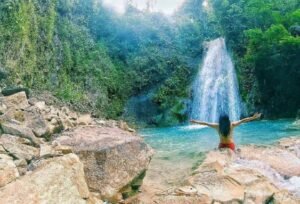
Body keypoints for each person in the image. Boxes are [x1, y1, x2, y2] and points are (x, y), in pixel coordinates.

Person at [190, 113, 262, 151]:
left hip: (221, 146)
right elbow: (243, 120)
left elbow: (205, 123)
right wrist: (253, 117)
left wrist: (195, 121)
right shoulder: (232, 125)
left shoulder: (217, 126)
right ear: (228, 120)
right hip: (231, 146)